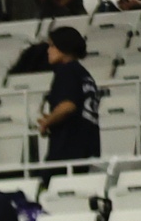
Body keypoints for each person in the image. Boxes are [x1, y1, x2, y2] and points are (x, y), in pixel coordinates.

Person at [40, 27, 101, 165]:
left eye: (52, 45)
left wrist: (46, 123)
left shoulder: (66, 71)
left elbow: (68, 106)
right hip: (88, 149)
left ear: (64, 46)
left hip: (67, 151)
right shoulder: (84, 74)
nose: (48, 50)